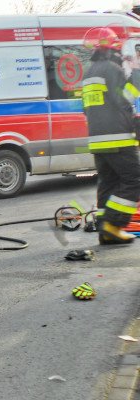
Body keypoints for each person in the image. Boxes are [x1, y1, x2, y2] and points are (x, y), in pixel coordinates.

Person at [82, 26, 140, 245]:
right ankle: (113, 225)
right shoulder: (112, 69)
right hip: (118, 138)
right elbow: (125, 98)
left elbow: (86, 109)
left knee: (108, 183)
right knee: (134, 180)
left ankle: (105, 231)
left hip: (97, 140)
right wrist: (135, 74)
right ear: (113, 46)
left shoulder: (89, 72)